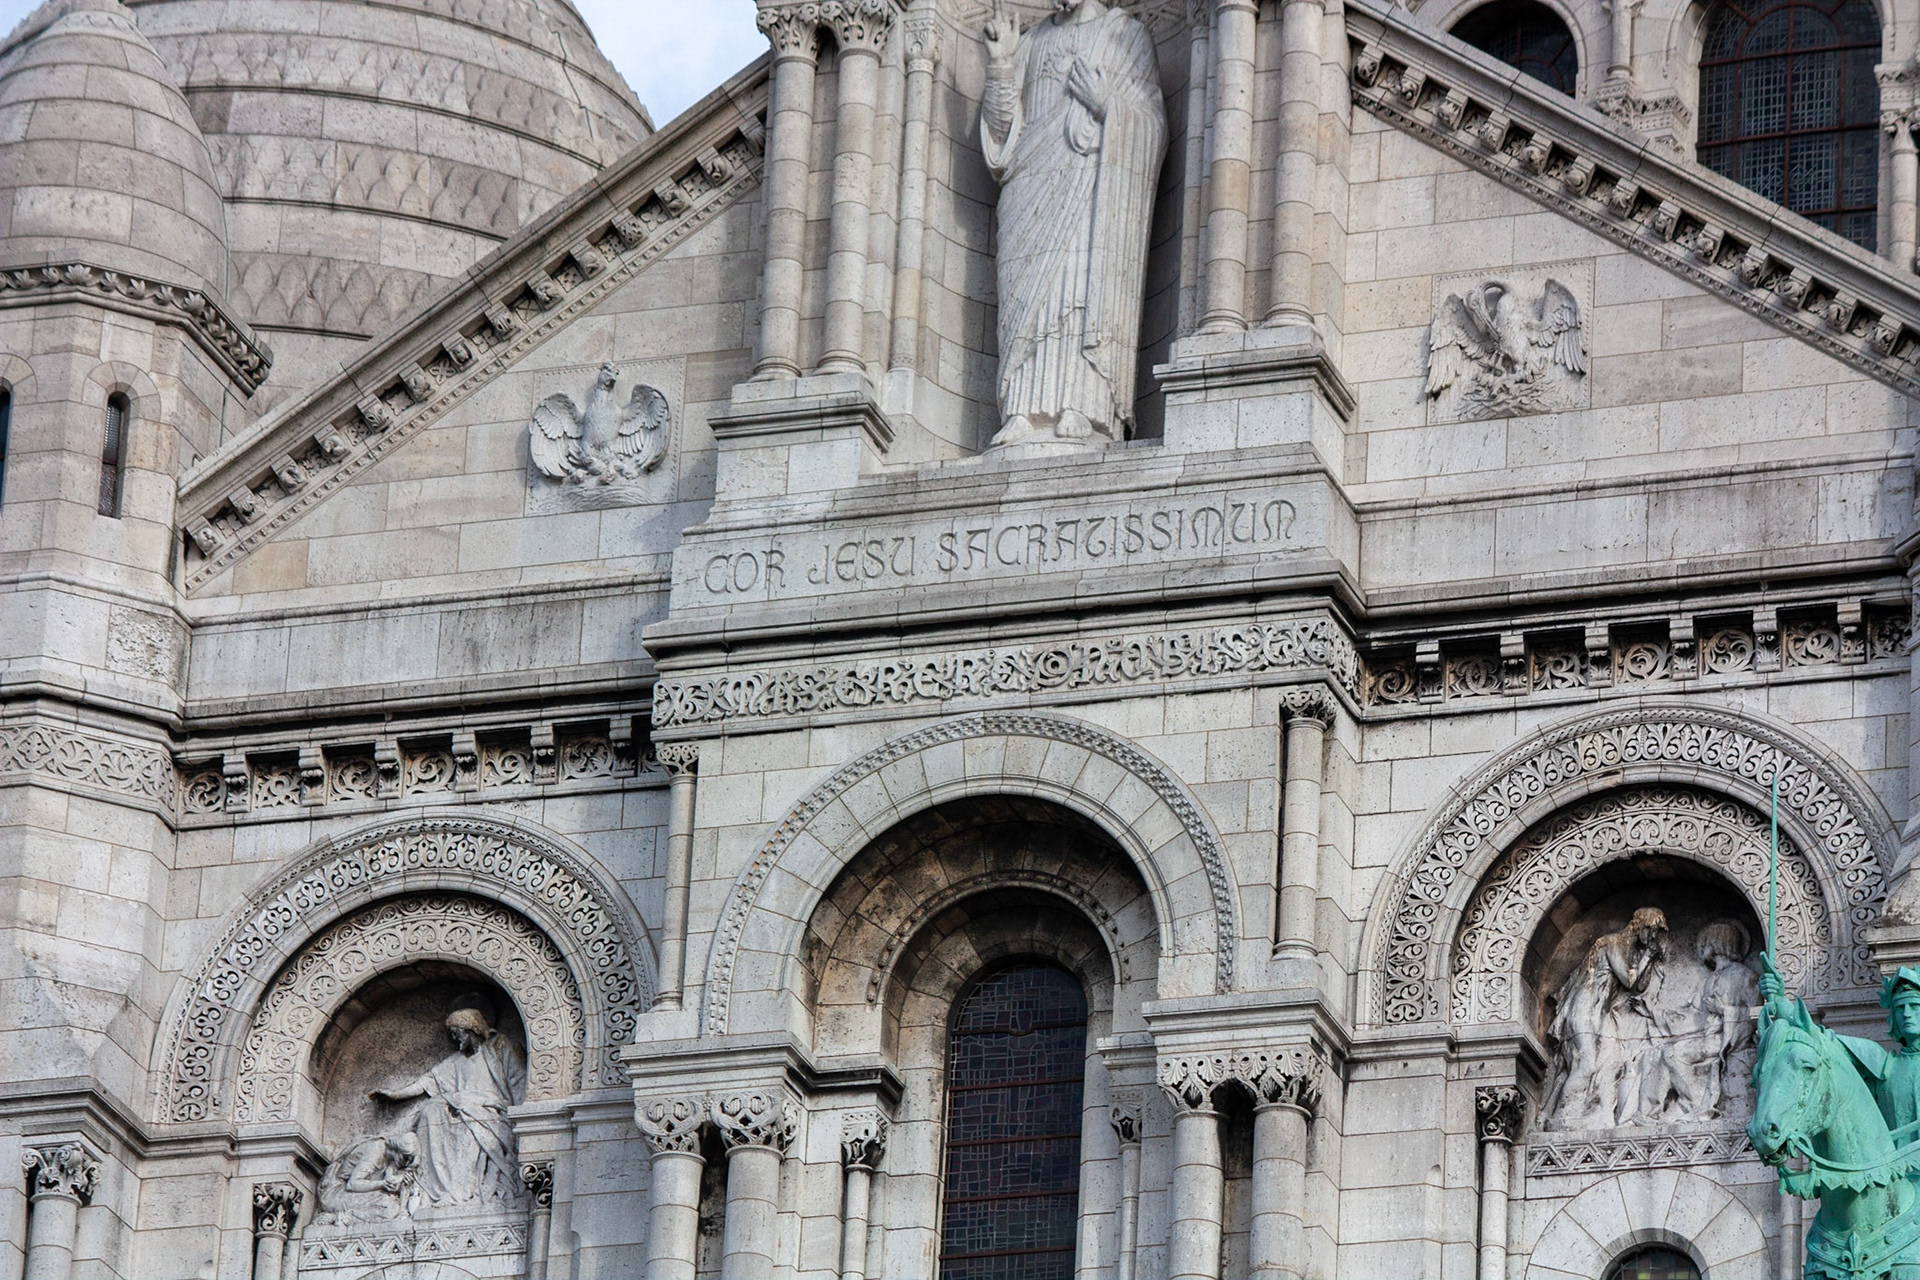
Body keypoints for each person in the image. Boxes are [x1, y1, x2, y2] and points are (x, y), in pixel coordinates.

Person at [979, 0, 1166, 451]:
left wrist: (1108, 107)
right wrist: (1001, 65)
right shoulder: (1031, 44)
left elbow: (1152, 126)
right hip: (1028, 188)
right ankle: (1021, 407)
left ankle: (1083, 405)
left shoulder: (1126, 37)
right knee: (1026, 298)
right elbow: (1003, 134)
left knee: (1079, 290)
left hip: (1092, 188)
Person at [368, 1001, 527, 1211]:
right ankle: (443, 1190)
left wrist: (520, 1120)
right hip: (462, 1111)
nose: (454, 1038)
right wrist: (395, 1095)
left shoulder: (501, 1048)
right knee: (431, 1109)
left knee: (467, 1125)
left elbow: (519, 1082)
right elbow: (426, 1082)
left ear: (471, 1029)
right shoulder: (456, 1061)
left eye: (457, 1032)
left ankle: (463, 1191)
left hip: (492, 1112)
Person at [1543, 908, 1669, 1128]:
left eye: (1656, 933)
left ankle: (1598, 1115)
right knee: (1586, 1065)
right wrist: (1647, 957)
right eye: (1651, 930)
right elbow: (1628, 980)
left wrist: (1648, 961)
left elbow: (1638, 986)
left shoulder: (1633, 953)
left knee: (1613, 1061)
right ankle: (1562, 1118)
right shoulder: (1611, 943)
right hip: (1584, 1006)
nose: (1653, 937)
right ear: (1640, 925)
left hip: (1602, 1012)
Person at [315, 1130, 417, 1225]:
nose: (406, 1163)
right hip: (335, 1194)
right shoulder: (375, 1151)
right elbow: (352, 1184)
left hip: (348, 1192)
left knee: (393, 1206)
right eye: (406, 1158)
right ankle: (340, 1217)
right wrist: (382, 1184)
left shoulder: (388, 1157)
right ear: (398, 1149)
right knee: (391, 1207)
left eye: (410, 1160)